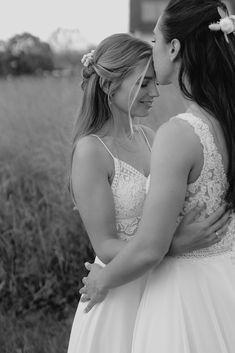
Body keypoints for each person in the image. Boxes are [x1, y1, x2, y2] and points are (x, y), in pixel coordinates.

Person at [80, 1, 235, 352]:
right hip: (223, 280)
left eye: (154, 39)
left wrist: (103, 280)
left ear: (175, 47)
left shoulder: (176, 134)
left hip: (184, 293)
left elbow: (151, 248)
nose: (153, 48)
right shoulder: (225, 120)